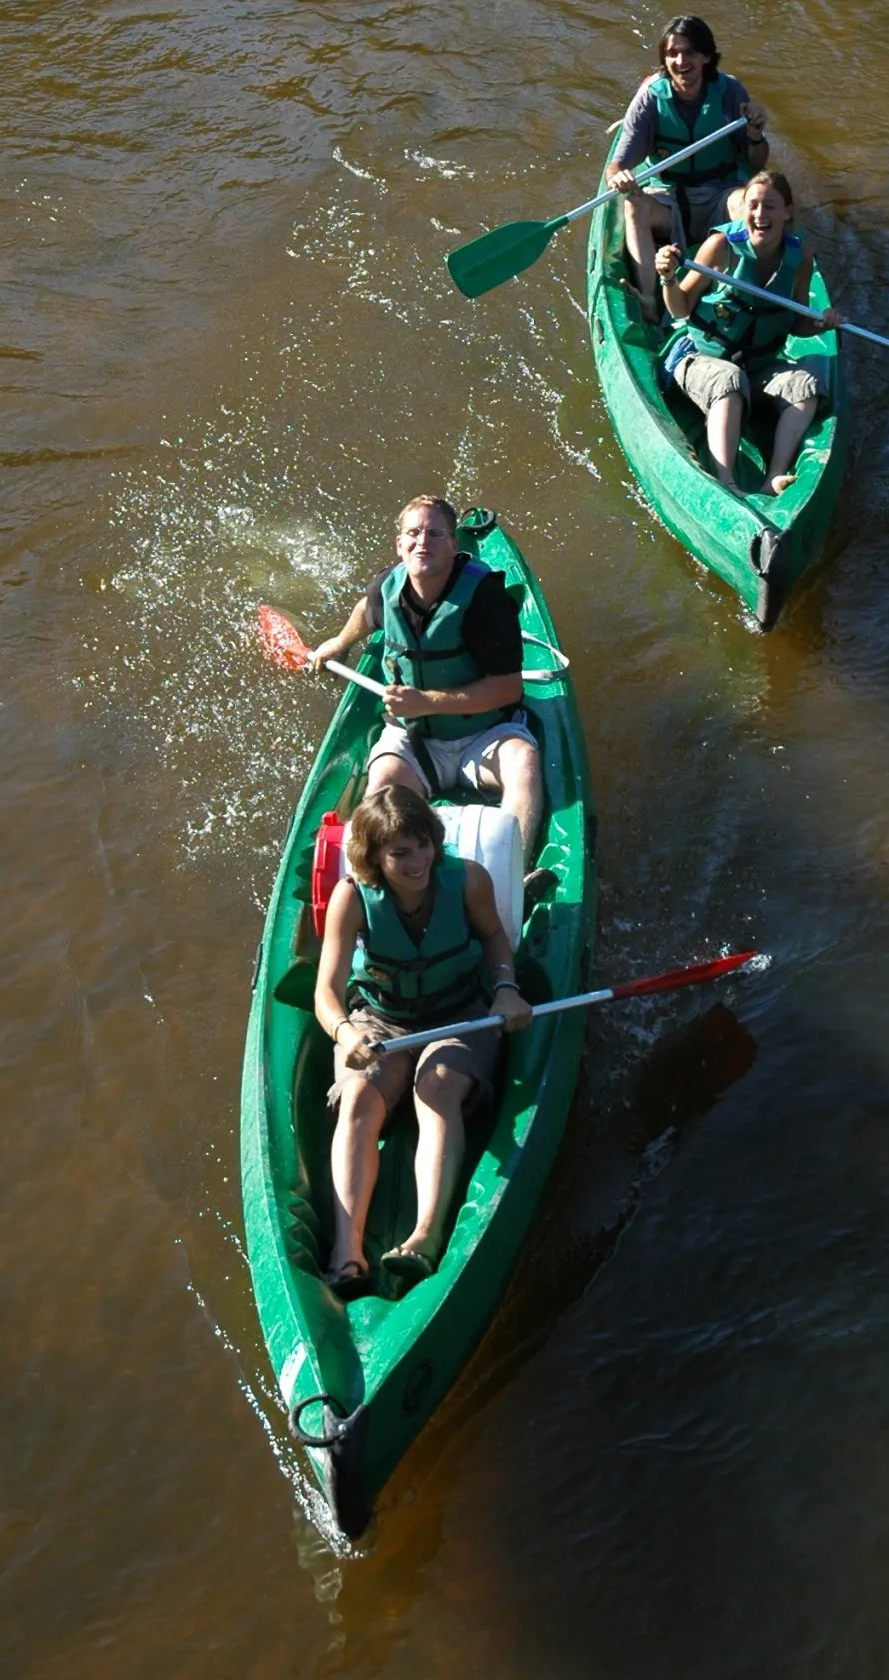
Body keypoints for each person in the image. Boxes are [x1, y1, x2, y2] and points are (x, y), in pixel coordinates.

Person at [314, 783, 532, 1298]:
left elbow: (496, 940)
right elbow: (327, 990)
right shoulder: (352, 897)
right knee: (359, 1101)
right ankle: (347, 1253)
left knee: (437, 1088)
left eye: (424, 845)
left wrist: (505, 988)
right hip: (381, 1019)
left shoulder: (467, 881)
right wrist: (345, 1033)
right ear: (374, 857)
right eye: (400, 852)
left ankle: (425, 1235)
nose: (418, 861)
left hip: (459, 1015)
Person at [311, 495, 543, 857]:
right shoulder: (386, 587)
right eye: (414, 533)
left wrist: (425, 702)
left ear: (453, 544)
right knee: (381, 790)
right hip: (413, 739)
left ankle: (515, 869)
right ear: (400, 544)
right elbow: (365, 610)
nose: (423, 542)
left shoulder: (485, 600)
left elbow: (508, 688)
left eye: (435, 534)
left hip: (482, 736)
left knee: (525, 764)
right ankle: (375, 882)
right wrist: (339, 643)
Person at [654, 170, 837, 497]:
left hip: (760, 367)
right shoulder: (720, 246)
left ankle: (774, 478)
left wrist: (821, 323)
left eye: (770, 206)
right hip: (702, 360)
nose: (760, 214)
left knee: (806, 386)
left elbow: (796, 323)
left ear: (787, 212)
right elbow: (680, 309)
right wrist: (667, 277)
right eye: (753, 205)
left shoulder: (800, 258)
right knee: (729, 381)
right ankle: (728, 485)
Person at [607, 16, 770, 320]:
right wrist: (619, 177)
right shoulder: (651, 98)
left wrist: (755, 134)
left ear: (706, 56)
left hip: (720, 193)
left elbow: (756, 162)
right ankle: (648, 298)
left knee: (749, 204)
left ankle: (754, 294)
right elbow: (617, 165)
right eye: (672, 53)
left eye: (689, 52)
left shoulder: (730, 91)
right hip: (670, 199)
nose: (680, 61)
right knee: (633, 207)